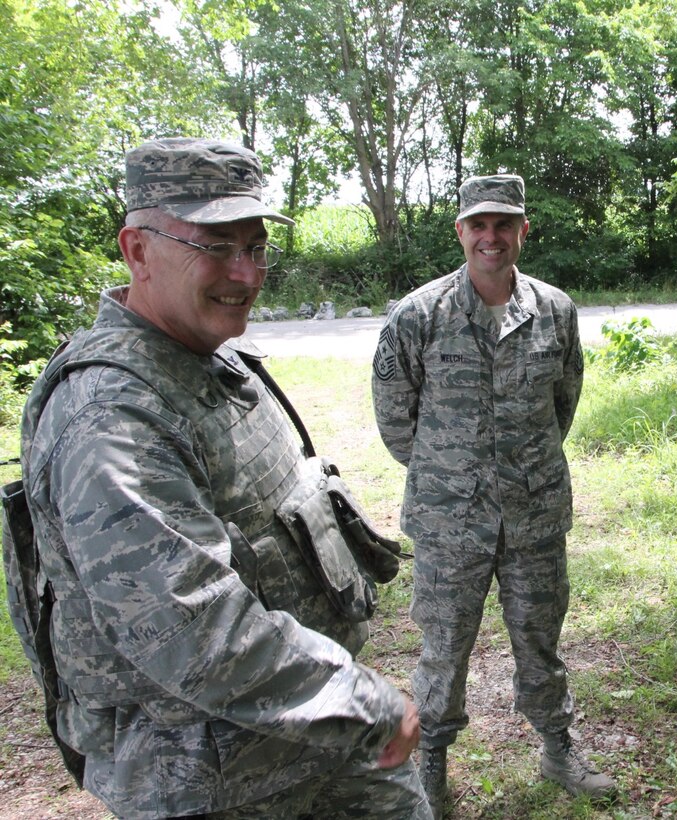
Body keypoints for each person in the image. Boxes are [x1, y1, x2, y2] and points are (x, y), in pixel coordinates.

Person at [18, 137, 430, 819]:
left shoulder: (206, 359)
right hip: (208, 781)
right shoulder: (112, 413)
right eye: (214, 246)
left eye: (256, 246)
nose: (245, 273)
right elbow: (188, 625)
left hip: (310, 743)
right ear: (138, 251)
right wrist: (360, 701)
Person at [371, 174, 616, 817]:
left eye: (503, 224)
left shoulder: (555, 310)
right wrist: (453, 473)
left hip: (534, 514)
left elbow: (563, 403)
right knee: (443, 649)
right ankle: (431, 762)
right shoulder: (417, 314)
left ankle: (558, 747)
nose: (491, 236)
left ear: (522, 231)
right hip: (450, 520)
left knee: (540, 640)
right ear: (460, 232)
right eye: (478, 225)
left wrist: (518, 468)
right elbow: (395, 419)